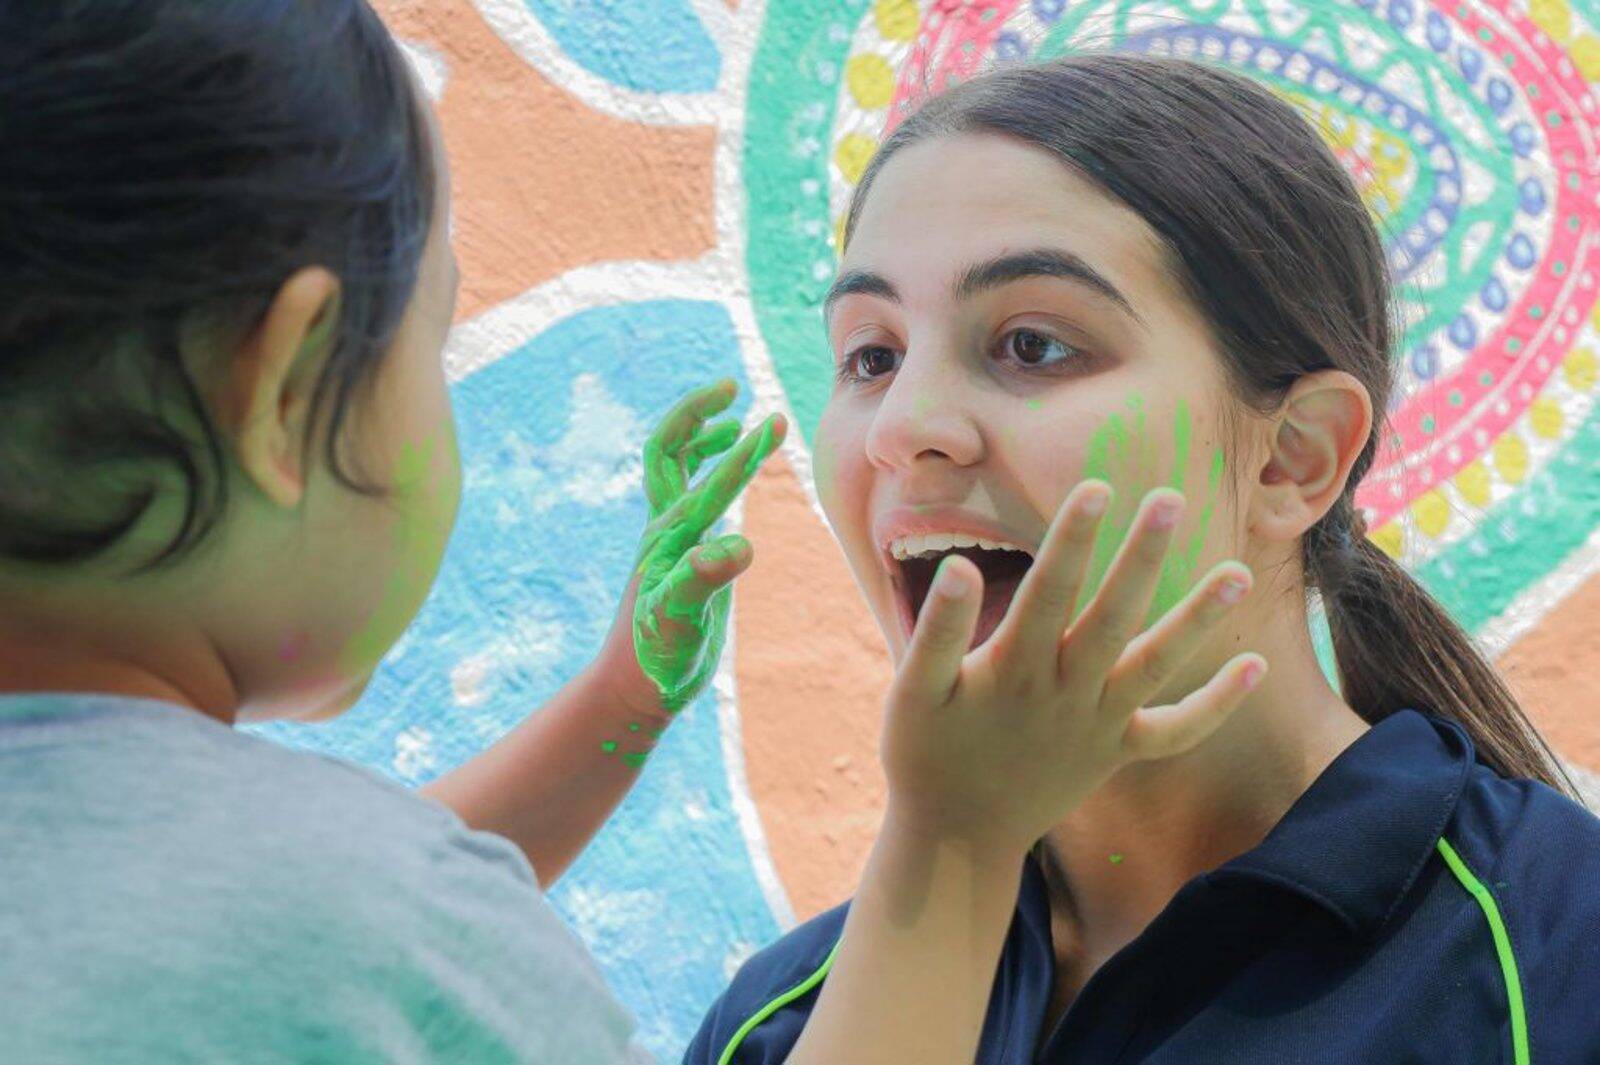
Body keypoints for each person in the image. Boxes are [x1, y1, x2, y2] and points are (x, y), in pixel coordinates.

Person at [688, 52, 1600, 1064]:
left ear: (1292, 459)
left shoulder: (1558, 950)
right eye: (872, 355)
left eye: (1031, 344)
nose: (903, 427)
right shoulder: (781, 1023)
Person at [0, 3, 784, 1061]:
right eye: (434, 334)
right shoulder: (388, 937)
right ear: (278, 389)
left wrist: (621, 706)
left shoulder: (335, 921)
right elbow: (350, 924)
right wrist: (953, 840)